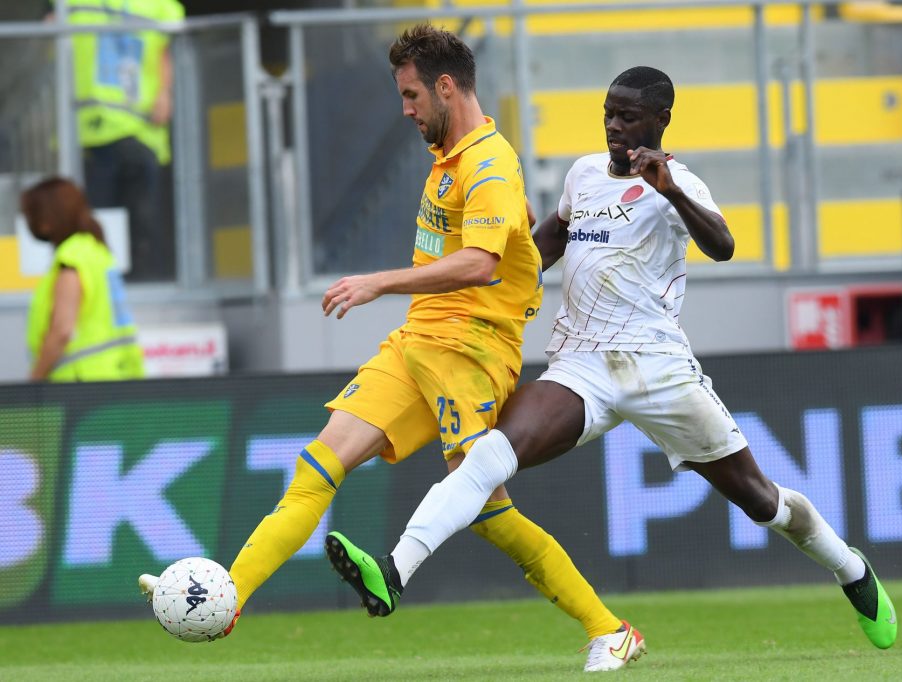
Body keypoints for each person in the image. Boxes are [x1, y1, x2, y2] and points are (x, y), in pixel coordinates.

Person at [327, 66, 899, 654]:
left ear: (660, 120)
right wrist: (502, 272)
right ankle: (395, 571)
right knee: (486, 458)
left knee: (761, 501)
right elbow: (550, 241)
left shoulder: (679, 183)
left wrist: (669, 189)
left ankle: (849, 568)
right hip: (583, 365)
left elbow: (724, 246)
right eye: (608, 113)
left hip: (659, 368)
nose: (614, 126)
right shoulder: (583, 175)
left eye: (627, 116)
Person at [138, 25, 643, 672]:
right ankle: (226, 599)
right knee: (316, 467)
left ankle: (610, 629)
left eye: (411, 95)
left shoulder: (489, 164)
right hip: (417, 343)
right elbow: (498, 240)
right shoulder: (450, 158)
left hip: (472, 351)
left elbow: (480, 263)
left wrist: (379, 282)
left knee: (488, 511)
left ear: (445, 86)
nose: (405, 109)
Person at [67, 0, 184, 281]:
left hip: (140, 131)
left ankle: (144, 283)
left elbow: (167, 52)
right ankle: (101, 283)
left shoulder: (161, 6)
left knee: (142, 223)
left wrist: (165, 92)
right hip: (89, 136)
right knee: (94, 223)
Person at [21, 177, 145, 381]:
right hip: (117, 375)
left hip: (82, 381)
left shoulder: (72, 259)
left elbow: (62, 331)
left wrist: (34, 380)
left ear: (46, 221)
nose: (28, 221)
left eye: (30, 214)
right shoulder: (97, 252)